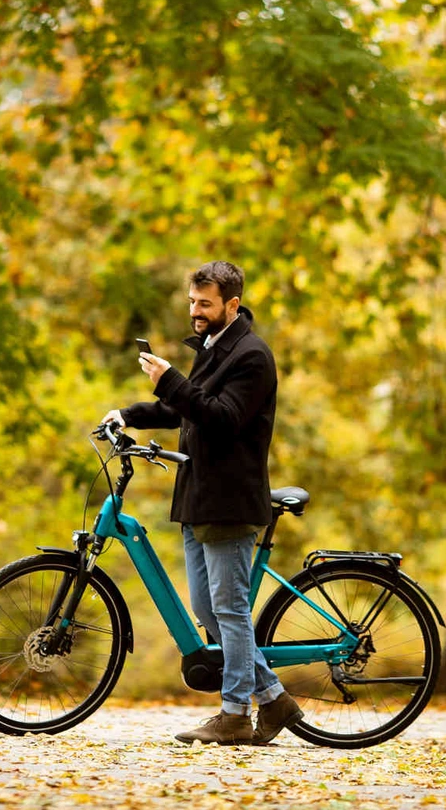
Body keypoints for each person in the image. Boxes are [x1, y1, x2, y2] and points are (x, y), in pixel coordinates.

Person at [101, 260, 303, 745]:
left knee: (229, 613)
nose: (196, 311)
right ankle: (274, 699)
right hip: (198, 497)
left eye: (205, 303)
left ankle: (235, 714)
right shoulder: (214, 348)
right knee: (210, 613)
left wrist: (171, 379)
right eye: (192, 301)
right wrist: (128, 414)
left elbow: (222, 417)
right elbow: (182, 407)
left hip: (229, 499)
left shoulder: (253, 356)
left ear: (232, 304)